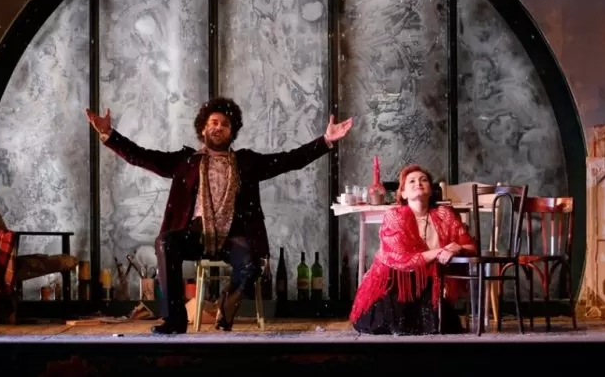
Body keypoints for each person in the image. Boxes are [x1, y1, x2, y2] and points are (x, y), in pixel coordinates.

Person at [86, 98, 353, 334]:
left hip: (232, 235)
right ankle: (174, 320)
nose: (219, 127)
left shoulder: (246, 162)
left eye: (225, 124)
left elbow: (288, 160)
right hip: (195, 234)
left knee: (251, 263)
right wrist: (109, 134)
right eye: (213, 122)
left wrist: (325, 141)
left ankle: (226, 305)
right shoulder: (186, 161)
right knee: (166, 242)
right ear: (203, 128)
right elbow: (142, 157)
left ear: (232, 132)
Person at [349, 164, 477, 335]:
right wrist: (439, 252)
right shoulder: (394, 216)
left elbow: (471, 247)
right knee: (390, 323)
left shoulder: (444, 215)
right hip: (394, 284)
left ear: (431, 191)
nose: (418, 183)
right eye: (412, 181)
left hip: (428, 285)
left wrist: (457, 248)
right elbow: (401, 259)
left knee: (444, 326)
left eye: (423, 180)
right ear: (403, 193)